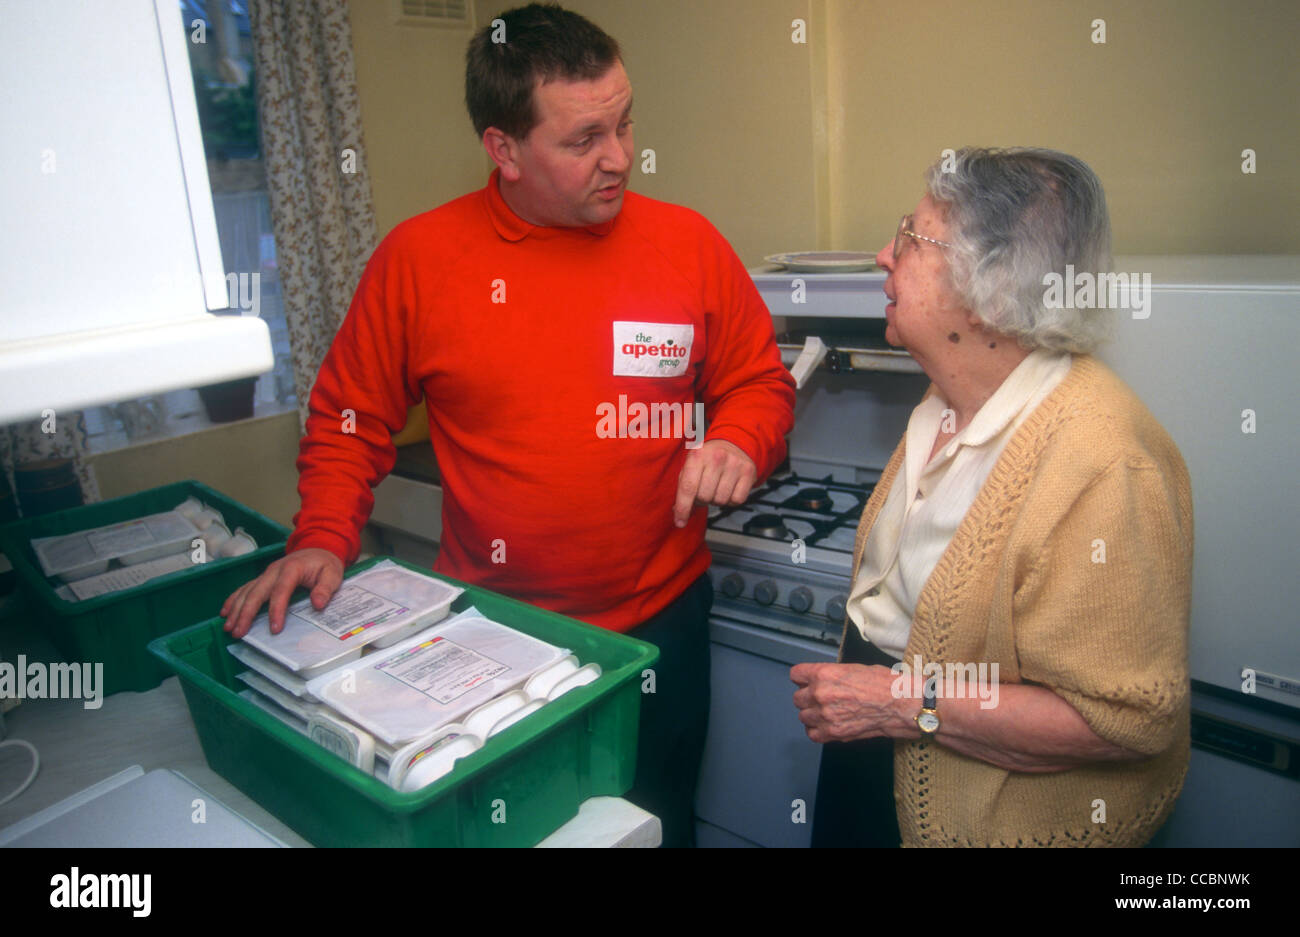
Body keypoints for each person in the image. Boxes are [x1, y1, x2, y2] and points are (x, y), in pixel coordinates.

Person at [218, 2, 794, 848]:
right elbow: (349, 419)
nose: (621, 156)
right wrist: (321, 533)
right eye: (584, 137)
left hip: (664, 625)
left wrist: (741, 435)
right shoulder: (420, 260)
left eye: (626, 121)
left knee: (657, 827)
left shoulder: (688, 244)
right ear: (504, 148)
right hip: (496, 637)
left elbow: (759, 381)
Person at [791, 147, 1192, 848]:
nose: (884, 255)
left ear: (993, 286)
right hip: (873, 756)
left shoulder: (1106, 461)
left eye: (912, 239)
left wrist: (895, 702)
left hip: (980, 817)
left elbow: (1125, 720)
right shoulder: (946, 396)